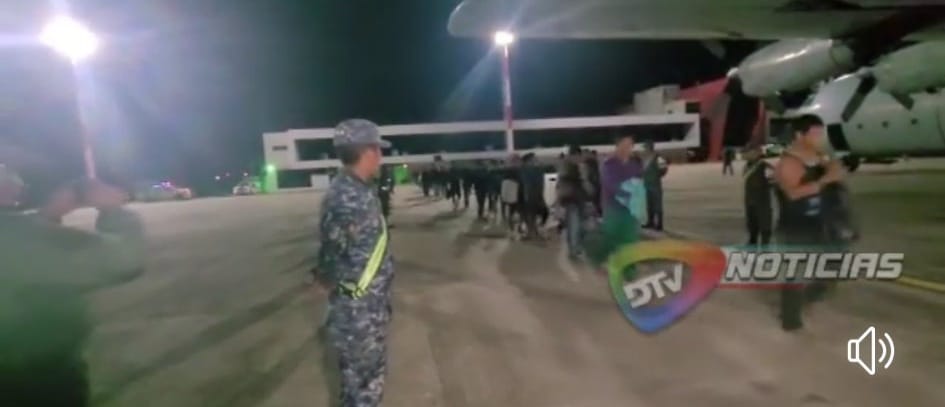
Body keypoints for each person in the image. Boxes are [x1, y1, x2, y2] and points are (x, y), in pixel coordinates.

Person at [0, 167, 146, 407]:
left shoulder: (21, 234)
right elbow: (124, 260)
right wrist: (113, 211)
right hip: (33, 379)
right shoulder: (22, 235)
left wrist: (47, 216)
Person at [313, 119, 395, 407]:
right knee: (363, 388)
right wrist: (332, 284)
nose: (381, 157)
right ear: (367, 152)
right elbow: (330, 252)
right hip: (359, 313)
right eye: (378, 150)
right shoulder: (347, 196)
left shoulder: (358, 190)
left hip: (366, 307)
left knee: (359, 385)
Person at [774, 114, 844, 332]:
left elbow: (835, 170)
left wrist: (832, 166)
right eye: (815, 134)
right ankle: (790, 318)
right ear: (799, 135)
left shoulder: (818, 155)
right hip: (796, 224)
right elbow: (793, 194)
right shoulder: (788, 163)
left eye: (821, 133)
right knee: (795, 273)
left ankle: (809, 296)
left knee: (833, 265)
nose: (820, 138)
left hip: (818, 221)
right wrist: (825, 180)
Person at [590, 135, 644, 269]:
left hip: (630, 208)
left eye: (630, 145)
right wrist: (628, 190)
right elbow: (611, 185)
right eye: (624, 145)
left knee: (629, 239)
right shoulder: (610, 164)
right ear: (617, 145)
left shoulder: (634, 164)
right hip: (613, 207)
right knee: (611, 238)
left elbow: (640, 183)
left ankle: (629, 270)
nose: (627, 148)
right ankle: (598, 257)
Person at [556, 145, 592, 259]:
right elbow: (563, 184)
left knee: (579, 225)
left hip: (578, 200)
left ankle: (575, 248)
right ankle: (574, 250)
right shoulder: (568, 167)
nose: (579, 158)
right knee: (574, 225)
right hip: (571, 200)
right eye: (577, 156)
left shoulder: (575, 167)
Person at [742, 144, 775, 246]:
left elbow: (773, 181)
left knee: (764, 221)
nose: (746, 155)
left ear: (757, 153)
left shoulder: (765, 166)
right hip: (750, 199)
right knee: (752, 221)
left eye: (749, 152)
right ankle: (752, 240)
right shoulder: (747, 166)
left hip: (762, 200)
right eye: (746, 152)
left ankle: (765, 243)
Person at [641, 141, 668, 231]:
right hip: (647, 184)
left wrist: (657, 175)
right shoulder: (645, 158)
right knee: (649, 204)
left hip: (655, 185)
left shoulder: (658, 157)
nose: (644, 150)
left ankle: (659, 224)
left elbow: (664, 168)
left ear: (650, 147)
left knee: (657, 204)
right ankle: (650, 222)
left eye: (645, 147)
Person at [518, 153, 546, 240]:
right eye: (534, 159)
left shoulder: (534, 169)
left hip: (535, 194)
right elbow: (527, 184)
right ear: (528, 161)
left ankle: (533, 232)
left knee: (534, 214)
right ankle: (532, 232)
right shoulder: (526, 170)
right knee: (531, 214)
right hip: (530, 195)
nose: (536, 160)